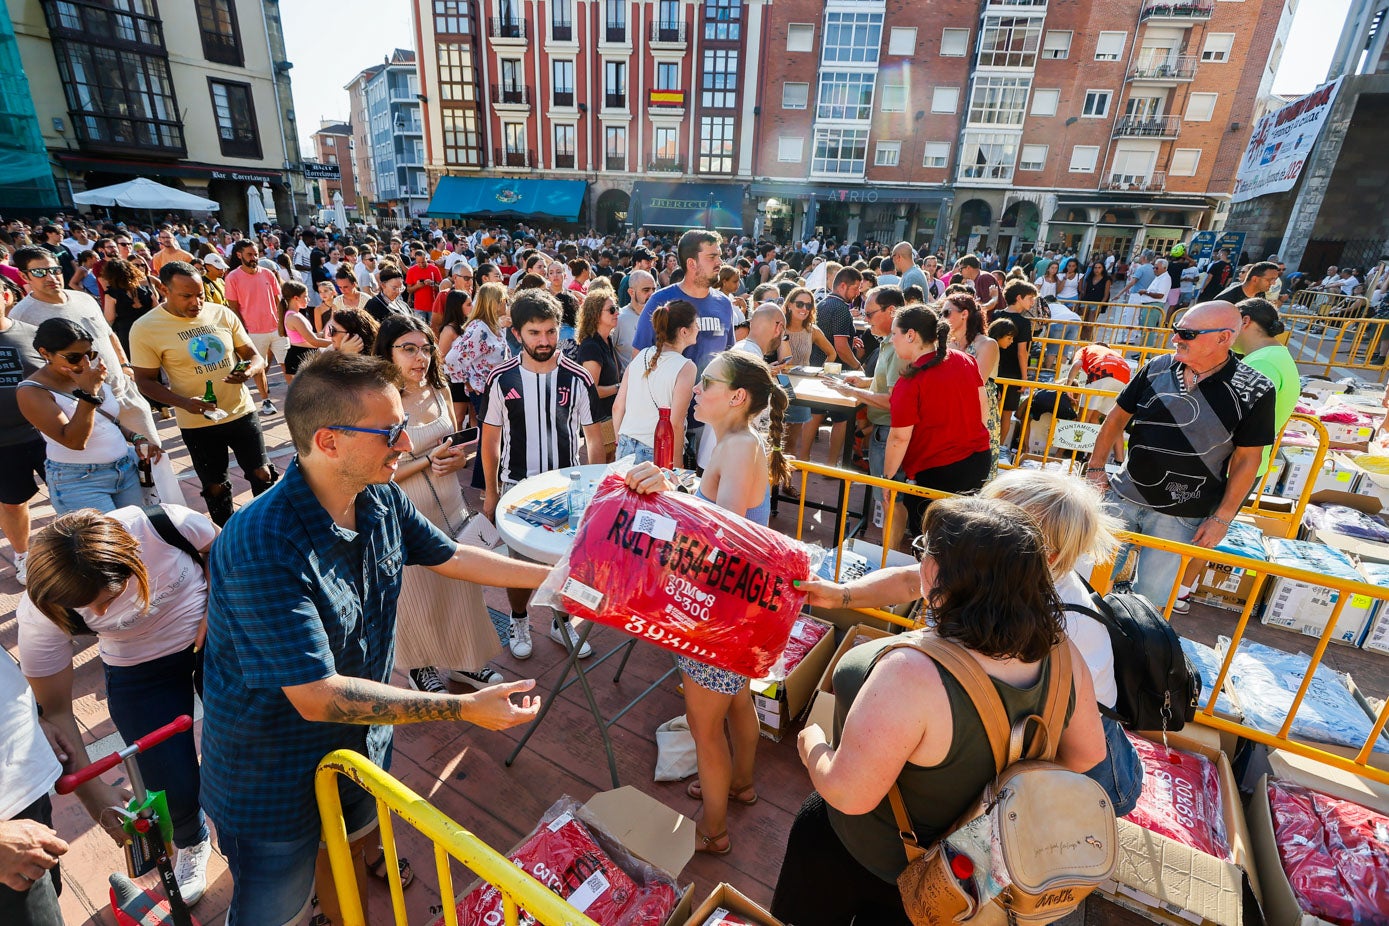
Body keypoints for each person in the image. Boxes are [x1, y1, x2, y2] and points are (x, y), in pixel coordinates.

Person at [198, 351, 550, 926]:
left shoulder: (378, 495)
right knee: (275, 910)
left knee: (353, 858)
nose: (407, 443)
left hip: (361, 747)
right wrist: (462, 707)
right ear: (328, 441)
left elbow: (451, 554)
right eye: (390, 431)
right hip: (272, 778)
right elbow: (316, 696)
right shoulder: (262, 542)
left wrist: (561, 579)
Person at [769, 496, 1107, 925]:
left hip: (860, 857)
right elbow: (1086, 755)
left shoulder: (913, 671)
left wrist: (812, 744)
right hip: (954, 881)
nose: (921, 561)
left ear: (942, 575)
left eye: (925, 551)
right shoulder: (1063, 654)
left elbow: (848, 795)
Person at [622, 350, 790, 857]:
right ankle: (741, 786)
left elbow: (726, 536)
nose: (696, 389)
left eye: (707, 382)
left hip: (718, 614)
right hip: (734, 611)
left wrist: (671, 507)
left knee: (705, 729)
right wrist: (682, 487)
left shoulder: (739, 447)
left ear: (737, 398)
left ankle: (714, 831)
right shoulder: (736, 442)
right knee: (737, 699)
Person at [19, 505, 218, 903]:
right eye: (86, 609)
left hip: (213, 641)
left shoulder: (163, 525)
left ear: (131, 559)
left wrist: (217, 603)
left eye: (106, 599)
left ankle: (258, 831)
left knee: (251, 744)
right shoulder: (40, 612)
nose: (99, 613)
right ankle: (192, 840)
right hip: (138, 671)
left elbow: (222, 550)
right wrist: (97, 802)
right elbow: (56, 713)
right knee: (167, 779)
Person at [1087, 301, 1276, 606]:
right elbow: (1116, 418)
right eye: (1176, 330)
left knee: (1151, 601)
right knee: (1090, 586)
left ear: (1224, 337)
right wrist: (1096, 469)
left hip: (1181, 515)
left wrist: (1222, 518)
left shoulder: (1255, 389)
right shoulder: (1157, 367)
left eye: (1187, 333)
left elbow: (1247, 459)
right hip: (1122, 497)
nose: (1176, 338)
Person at [370, 315, 504, 694]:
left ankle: (467, 663)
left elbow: (458, 443)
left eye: (425, 348)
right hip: (404, 513)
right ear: (387, 352)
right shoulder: (380, 401)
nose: (420, 357)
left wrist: (461, 459)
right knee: (416, 597)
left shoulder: (439, 388)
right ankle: (420, 668)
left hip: (450, 506)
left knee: (461, 591)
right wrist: (428, 460)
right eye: (408, 349)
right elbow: (376, 472)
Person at [480, 288, 603, 661]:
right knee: (518, 565)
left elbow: (594, 440)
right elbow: (490, 440)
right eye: (535, 333)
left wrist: (595, 491)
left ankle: (560, 619)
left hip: (567, 492)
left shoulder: (577, 377)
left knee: (567, 563)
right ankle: (519, 618)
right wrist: (490, 491)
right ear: (517, 333)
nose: (545, 341)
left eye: (551, 332)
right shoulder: (501, 379)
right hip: (518, 491)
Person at [1172, 297, 1299, 613]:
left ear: (1242, 321)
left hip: (1232, 463)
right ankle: (1182, 588)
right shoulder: (1276, 356)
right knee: (1206, 527)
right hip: (1240, 462)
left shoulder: (1263, 364)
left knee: (1205, 527)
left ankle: (1179, 591)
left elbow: (1227, 416)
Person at [129, 261, 276, 526]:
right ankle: (225, 536)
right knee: (215, 486)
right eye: (186, 296)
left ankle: (267, 527)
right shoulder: (145, 328)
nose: (196, 302)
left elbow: (254, 356)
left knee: (262, 473)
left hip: (240, 411)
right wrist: (184, 403)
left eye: (200, 295)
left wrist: (249, 370)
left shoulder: (221, 314)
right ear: (163, 289)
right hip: (197, 423)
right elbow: (145, 381)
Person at [17, 319, 154, 514]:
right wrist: (89, 394)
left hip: (124, 470)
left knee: (137, 537)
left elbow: (105, 422)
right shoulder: (32, 391)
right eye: (73, 357)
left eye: (89, 354)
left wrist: (136, 437)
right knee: (105, 543)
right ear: (45, 353)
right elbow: (74, 441)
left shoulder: (88, 375)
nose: (84, 363)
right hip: (80, 481)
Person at [883, 304, 992, 534]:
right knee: (960, 534)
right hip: (977, 460)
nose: (892, 340)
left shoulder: (911, 381)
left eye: (894, 334)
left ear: (910, 335)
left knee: (929, 539)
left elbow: (899, 438)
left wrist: (888, 479)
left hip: (938, 471)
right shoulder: (965, 360)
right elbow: (983, 408)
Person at [633, 231, 737, 463]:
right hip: (665, 421)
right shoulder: (661, 301)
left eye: (719, 256)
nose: (720, 263)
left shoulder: (723, 304)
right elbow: (639, 358)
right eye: (712, 257)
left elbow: (728, 357)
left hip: (711, 420)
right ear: (692, 263)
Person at [826, 286, 909, 543]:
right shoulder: (891, 343)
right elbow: (893, 386)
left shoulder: (896, 346)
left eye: (870, 313)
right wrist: (866, 383)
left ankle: (887, 558)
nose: (865, 318)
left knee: (889, 499)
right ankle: (888, 555)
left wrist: (852, 392)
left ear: (891, 311)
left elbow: (897, 401)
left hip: (890, 433)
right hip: (885, 432)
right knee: (889, 499)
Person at [612, 300, 698, 463]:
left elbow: (617, 407)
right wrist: (677, 466)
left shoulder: (640, 355)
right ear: (684, 332)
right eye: (696, 324)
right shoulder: (686, 367)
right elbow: (676, 424)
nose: (699, 329)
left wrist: (619, 441)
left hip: (625, 444)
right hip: (658, 450)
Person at [222, 239, 285, 417]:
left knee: (288, 364)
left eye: (256, 253)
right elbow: (234, 308)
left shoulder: (268, 274)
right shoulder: (232, 277)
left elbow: (278, 301)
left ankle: (297, 399)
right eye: (250, 254)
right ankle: (265, 401)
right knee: (258, 367)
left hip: (276, 328)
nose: (254, 257)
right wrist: (243, 331)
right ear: (239, 255)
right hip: (253, 331)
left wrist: (282, 324)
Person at [942, 292, 1001, 475]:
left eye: (946, 313)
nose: (942, 318)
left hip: (978, 413)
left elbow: (976, 382)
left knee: (976, 472)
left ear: (964, 313)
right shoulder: (946, 344)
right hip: (949, 411)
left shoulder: (987, 344)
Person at [576, 289, 622, 460]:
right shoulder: (591, 346)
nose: (617, 312)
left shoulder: (607, 340)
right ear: (596, 315)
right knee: (600, 472)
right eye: (611, 310)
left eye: (616, 308)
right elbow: (591, 391)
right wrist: (620, 387)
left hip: (610, 419)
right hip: (599, 422)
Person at [993, 279, 1037, 449]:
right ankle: (997, 449)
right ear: (1019, 297)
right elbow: (1022, 352)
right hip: (1012, 374)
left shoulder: (996, 315)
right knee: (1005, 415)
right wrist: (1025, 378)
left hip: (995, 369)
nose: (1032, 302)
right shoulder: (1024, 323)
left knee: (993, 412)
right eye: (1030, 298)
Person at [100, 258, 159, 355]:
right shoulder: (145, 290)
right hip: (150, 328)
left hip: (128, 333)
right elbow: (157, 309)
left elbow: (110, 318)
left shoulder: (111, 294)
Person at [279, 281, 331, 385]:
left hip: (305, 355)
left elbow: (310, 336)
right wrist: (337, 344)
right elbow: (314, 341)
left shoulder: (296, 315)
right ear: (296, 298)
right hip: (300, 357)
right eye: (305, 296)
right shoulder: (294, 317)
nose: (309, 299)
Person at [615, 269, 656, 369]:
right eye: (646, 290)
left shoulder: (660, 316)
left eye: (654, 290)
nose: (651, 294)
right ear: (631, 292)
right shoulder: (619, 318)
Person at [405, 248, 442, 323]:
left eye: (423, 262)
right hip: (419, 307)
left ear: (426, 258)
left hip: (433, 306)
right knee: (421, 330)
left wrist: (432, 284)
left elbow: (441, 288)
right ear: (415, 260)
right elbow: (409, 289)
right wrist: (418, 286)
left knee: (434, 329)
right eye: (418, 262)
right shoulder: (411, 270)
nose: (421, 264)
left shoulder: (434, 269)